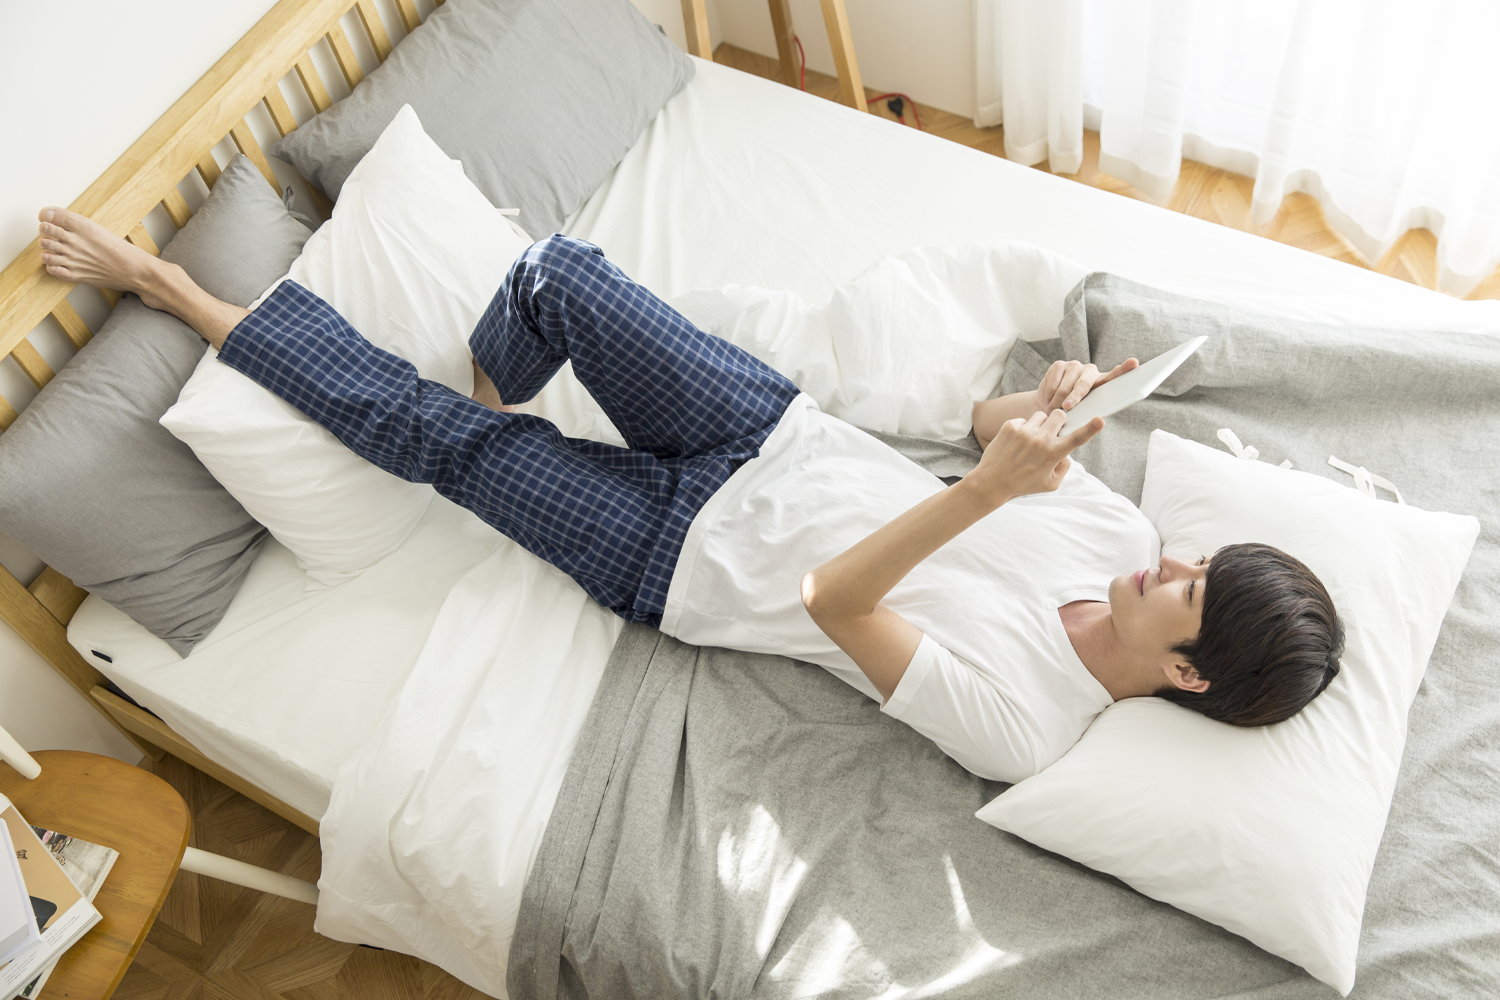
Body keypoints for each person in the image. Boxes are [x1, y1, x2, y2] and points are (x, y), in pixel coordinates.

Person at [36, 209, 1344, 783]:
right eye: (1197, 565)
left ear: (1185, 677)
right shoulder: (1119, 532)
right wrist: (1027, 419)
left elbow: (837, 600)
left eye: (1186, 598)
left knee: (429, 445)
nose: (1171, 568)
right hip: (776, 436)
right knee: (556, 276)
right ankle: (504, 392)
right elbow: (976, 435)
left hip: (679, 561)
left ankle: (178, 292)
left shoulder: (1031, 726)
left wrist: (990, 494)